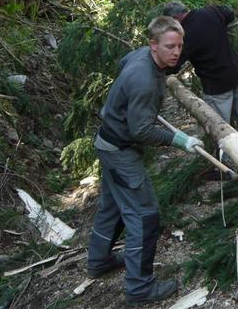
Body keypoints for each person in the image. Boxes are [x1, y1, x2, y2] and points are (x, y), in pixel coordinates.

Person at [87, 16, 204, 303]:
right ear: (153, 45)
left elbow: (122, 64)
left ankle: (98, 262)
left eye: (179, 45)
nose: (176, 52)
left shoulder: (140, 56)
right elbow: (141, 129)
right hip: (120, 150)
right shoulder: (144, 81)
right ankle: (139, 288)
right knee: (144, 215)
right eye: (169, 46)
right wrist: (179, 140)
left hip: (108, 141)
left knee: (112, 207)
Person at [162, 1, 238, 158]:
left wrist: (160, 67)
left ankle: (225, 161)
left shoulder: (186, 35)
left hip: (217, 84)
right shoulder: (210, 11)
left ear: (176, 17)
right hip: (235, 73)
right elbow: (229, 12)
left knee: (219, 126)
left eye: (170, 23)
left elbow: (175, 65)